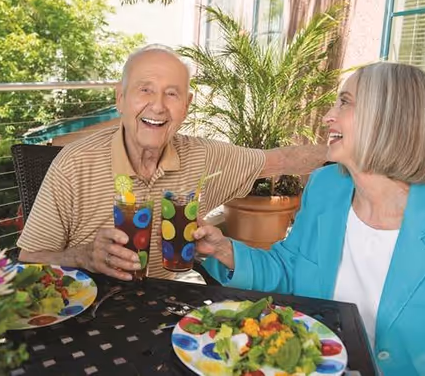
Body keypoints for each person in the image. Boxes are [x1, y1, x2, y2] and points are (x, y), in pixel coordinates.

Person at [197, 62, 425, 375]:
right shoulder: (325, 188)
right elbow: (289, 272)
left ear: (387, 118)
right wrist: (223, 251)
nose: (329, 115)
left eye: (344, 102)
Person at [17, 44, 327, 281]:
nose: (158, 106)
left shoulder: (204, 156)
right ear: (120, 99)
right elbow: (28, 258)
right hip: (85, 309)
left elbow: (281, 160)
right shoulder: (74, 164)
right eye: (145, 90)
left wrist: (351, 153)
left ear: (187, 106)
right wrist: (84, 257)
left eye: (172, 94)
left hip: (164, 310)